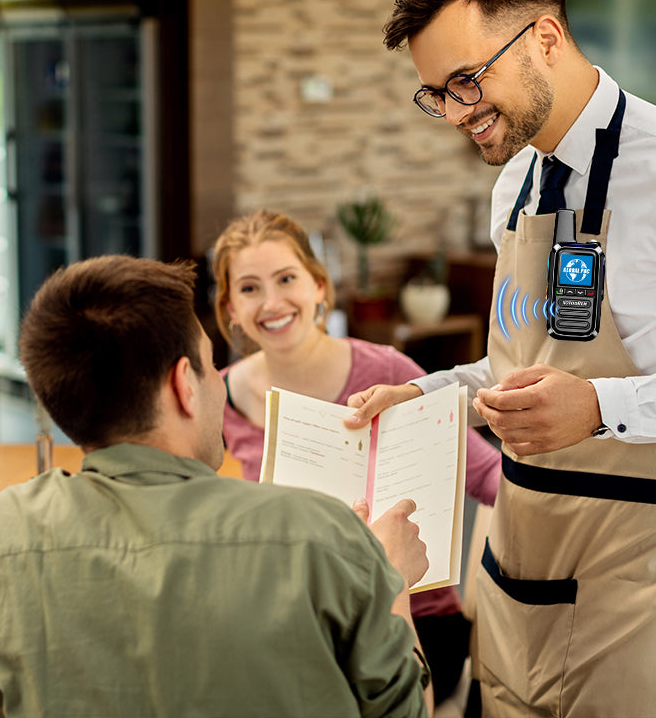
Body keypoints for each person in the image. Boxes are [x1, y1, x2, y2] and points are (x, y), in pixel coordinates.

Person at [345, 0, 656, 718]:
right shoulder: (516, 180)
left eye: (466, 80)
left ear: (545, 39)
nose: (454, 112)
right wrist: (427, 394)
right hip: (519, 539)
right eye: (435, 93)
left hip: (643, 552)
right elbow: (518, 362)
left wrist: (597, 408)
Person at [0, 255, 433, 718]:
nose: (219, 387)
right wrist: (391, 580)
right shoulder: (320, 535)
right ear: (185, 383)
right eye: (208, 365)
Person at [212, 209, 501, 704]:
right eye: (250, 288)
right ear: (230, 308)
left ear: (319, 287)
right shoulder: (219, 398)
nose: (272, 302)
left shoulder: (386, 371)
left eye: (286, 279)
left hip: (416, 617)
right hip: (297, 618)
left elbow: (488, 474)